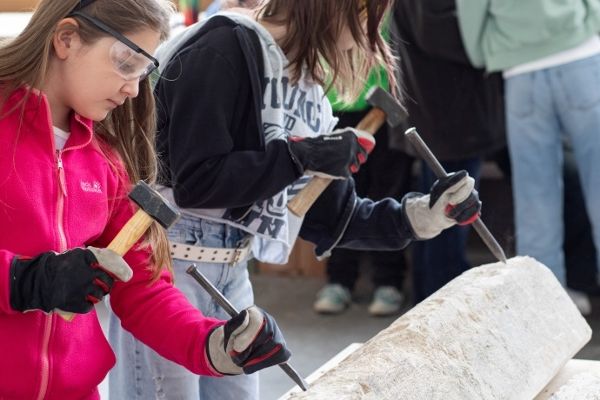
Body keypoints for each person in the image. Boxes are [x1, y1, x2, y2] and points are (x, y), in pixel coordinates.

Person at [108, 1, 483, 399]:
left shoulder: (303, 85)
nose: (369, 32)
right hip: (167, 269)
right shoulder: (220, 46)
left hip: (232, 271)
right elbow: (197, 181)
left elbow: (334, 216)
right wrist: (299, 156)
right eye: (364, 16)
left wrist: (425, 214)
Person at [0, 0, 292, 399]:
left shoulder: (105, 160)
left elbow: (142, 288)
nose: (133, 88)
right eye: (125, 63)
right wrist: (23, 281)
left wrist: (213, 345)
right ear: (66, 38)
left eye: (143, 71)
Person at [456, 0, 600, 314]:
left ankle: (547, 309)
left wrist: (489, 53)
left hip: (521, 69)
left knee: (535, 194)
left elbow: (471, 12)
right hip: (582, 53)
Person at [391, 0, 506, 303]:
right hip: (450, 113)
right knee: (450, 210)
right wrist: (496, 34)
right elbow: (445, 36)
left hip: (441, 110)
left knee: (436, 210)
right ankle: (443, 301)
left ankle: (428, 298)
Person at [314, 61, 412, 317]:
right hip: (334, 103)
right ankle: (338, 281)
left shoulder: (389, 18)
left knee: (388, 192)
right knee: (337, 197)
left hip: (383, 107)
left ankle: (389, 282)